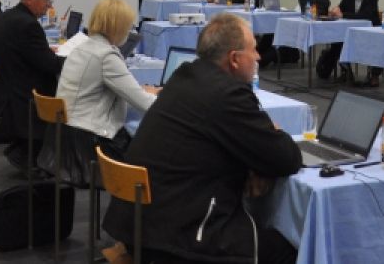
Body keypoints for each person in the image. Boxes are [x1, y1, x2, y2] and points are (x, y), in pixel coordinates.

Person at [103, 14, 301, 264]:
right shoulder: (228, 95)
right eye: (253, 49)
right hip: (178, 236)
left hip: (138, 223)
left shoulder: (183, 77)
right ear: (234, 59)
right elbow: (286, 158)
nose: (259, 56)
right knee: (293, 248)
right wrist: (273, 132)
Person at [51, 0, 158, 182]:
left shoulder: (80, 48)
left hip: (64, 134)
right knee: (151, 155)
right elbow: (144, 103)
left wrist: (139, 90)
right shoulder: (107, 56)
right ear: (118, 27)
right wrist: (170, 101)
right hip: (90, 142)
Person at [0, 0, 63, 160]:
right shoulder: (28, 25)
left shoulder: (7, 16)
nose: (49, 5)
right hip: (23, 98)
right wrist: (75, 59)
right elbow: (51, 65)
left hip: (5, 92)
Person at [319, 0, 382, 85]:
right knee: (337, 41)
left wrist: (343, 15)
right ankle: (346, 71)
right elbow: (341, 8)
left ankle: (375, 75)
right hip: (350, 30)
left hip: (370, 31)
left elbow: (366, 15)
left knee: (379, 45)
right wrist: (335, 10)